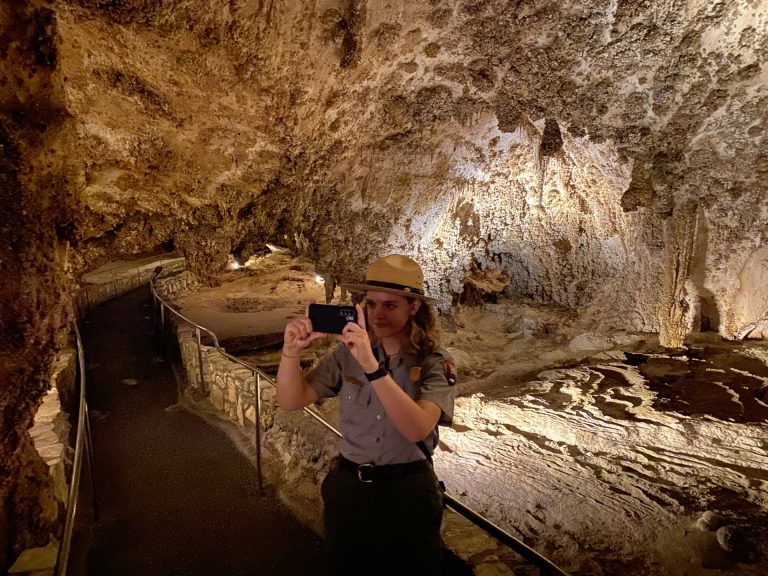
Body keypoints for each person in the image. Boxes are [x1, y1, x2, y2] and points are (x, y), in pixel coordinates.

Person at [276, 254, 457, 576]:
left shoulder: (433, 362)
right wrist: (290, 352)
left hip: (409, 491)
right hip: (351, 488)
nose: (378, 314)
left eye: (390, 305)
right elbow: (292, 400)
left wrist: (373, 368)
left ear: (413, 306)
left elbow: (416, 428)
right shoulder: (346, 355)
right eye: (371, 304)